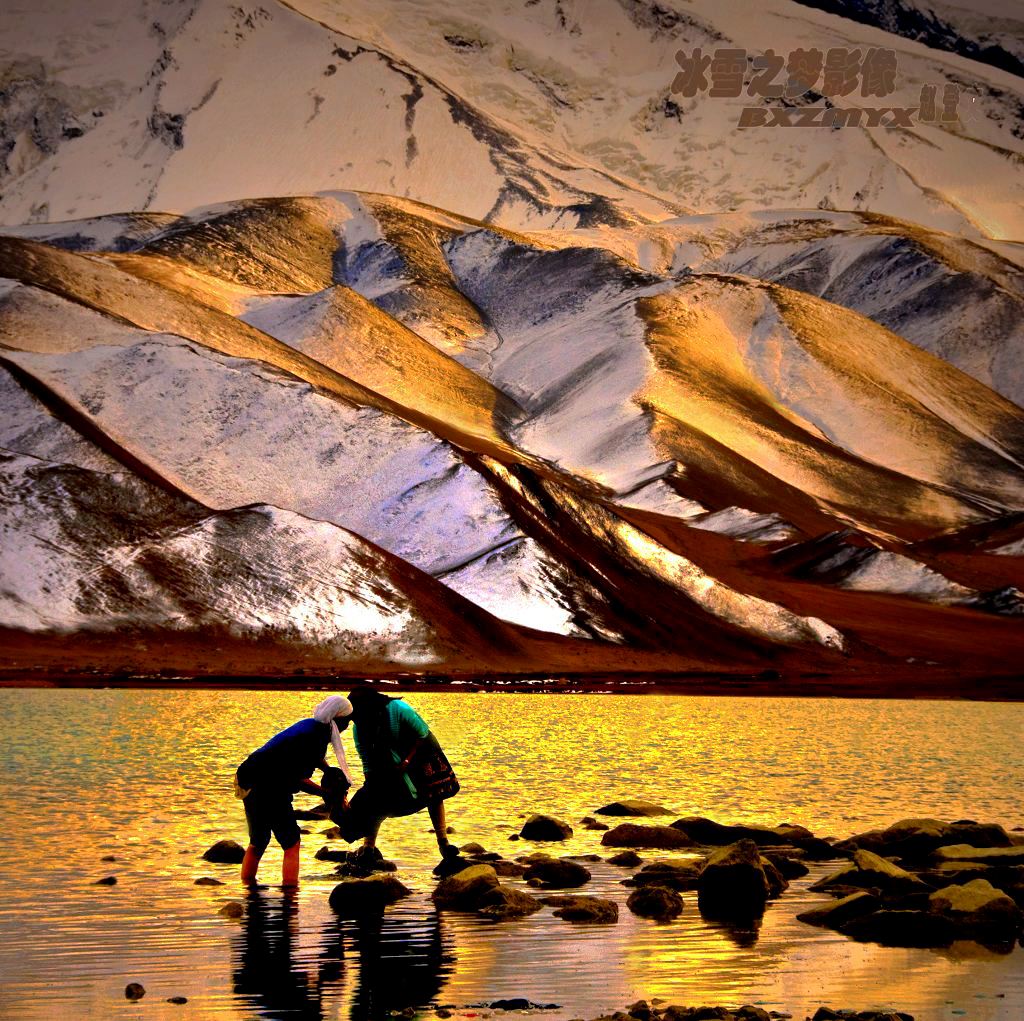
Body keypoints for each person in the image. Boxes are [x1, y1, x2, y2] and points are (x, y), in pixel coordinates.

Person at [235, 695, 354, 887]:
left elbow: (306, 757)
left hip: (248, 778)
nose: (348, 726)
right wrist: (325, 793)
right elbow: (296, 779)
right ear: (337, 719)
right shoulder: (315, 737)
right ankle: (290, 896)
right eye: (347, 721)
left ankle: (248, 891)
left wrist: (326, 769)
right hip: (267, 785)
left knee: (258, 840)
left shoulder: (311, 726)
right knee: (291, 842)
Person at [337, 689, 459, 865]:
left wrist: (408, 760)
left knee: (433, 792)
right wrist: (369, 783)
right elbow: (365, 757)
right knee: (376, 797)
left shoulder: (397, 709)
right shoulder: (360, 727)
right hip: (389, 756)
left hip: (421, 749)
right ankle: (368, 848)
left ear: (368, 708)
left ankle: (443, 843)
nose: (356, 721)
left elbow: (422, 733)